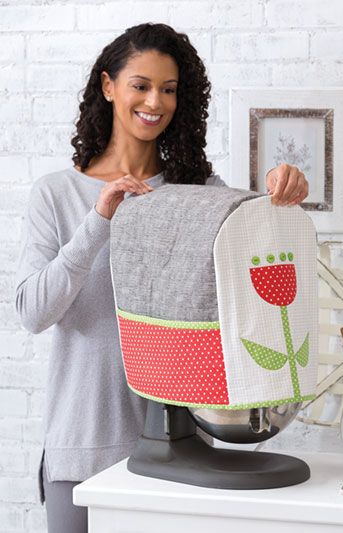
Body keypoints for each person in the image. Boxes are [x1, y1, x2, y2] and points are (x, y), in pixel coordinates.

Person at [14, 23, 309, 533]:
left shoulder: (198, 192)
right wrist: (100, 220)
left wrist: (279, 197)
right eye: (141, 84)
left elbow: (248, 276)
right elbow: (33, 312)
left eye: (169, 90)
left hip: (188, 450)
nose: (155, 101)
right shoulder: (56, 194)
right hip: (83, 441)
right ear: (108, 86)